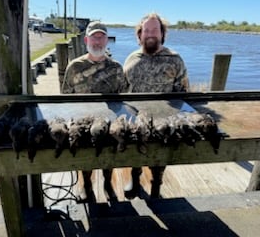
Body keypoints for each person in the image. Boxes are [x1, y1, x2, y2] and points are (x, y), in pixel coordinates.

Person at [123, 13, 189, 199]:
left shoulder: (175, 59)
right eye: (146, 30)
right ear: (140, 35)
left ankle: (156, 186)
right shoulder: (131, 59)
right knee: (135, 148)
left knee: (160, 155)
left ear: (162, 33)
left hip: (164, 119)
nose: (150, 34)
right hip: (136, 117)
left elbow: (183, 93)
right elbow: (122, 90)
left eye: (155, 30)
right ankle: (135, 178)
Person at [62, 21, 129, 201]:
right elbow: (65, 97)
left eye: (101, 37)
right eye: (94, 37)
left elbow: (124, 97)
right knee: (84, 152)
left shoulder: (116, 68)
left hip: (108, 120)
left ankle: (107, 182)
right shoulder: (74, 67)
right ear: (86, 40)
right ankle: (86, 183)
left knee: (109, 150)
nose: (97, 42)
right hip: (82, 121)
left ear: (107, 40)